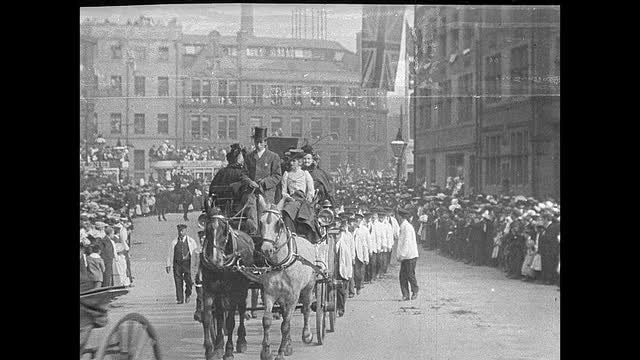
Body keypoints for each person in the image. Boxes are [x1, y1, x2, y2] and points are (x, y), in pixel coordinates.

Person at [208, 143, 256, 234]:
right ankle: (254, 228)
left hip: (220, 207)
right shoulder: (242, 173)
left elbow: (212, 190)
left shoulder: (221, 172)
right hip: (237, 210)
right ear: (239, 159)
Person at [244, 127, 282, 235]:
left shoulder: (273, 157)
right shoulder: (249, 157)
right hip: (252, 191)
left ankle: (264, 235)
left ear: (265, 142)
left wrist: (264, 182)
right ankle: (254, 233)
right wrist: (249, 182)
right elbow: (243, 174)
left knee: (264, 211)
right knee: (250, 208)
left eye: (261, 142)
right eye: (256, 142)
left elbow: (277, 175)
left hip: (267, 192)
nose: (258, 145)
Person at [278, 151, 320, 242]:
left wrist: (309, 197)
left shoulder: (305, 173)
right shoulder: (287, 174)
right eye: (290, 161)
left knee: (307, 213)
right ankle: (290, 234)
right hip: (292, 199)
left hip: (303, 199)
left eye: (294, 161)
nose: (291, 163)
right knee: (287, 211)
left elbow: (310, 190)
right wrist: (288, 197)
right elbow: (284, 191)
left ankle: (307, 236)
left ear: (299, 162)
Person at [165, 224, 199, 304]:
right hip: (177, 264)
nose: (180, 233)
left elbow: (196, 253)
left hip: (187, 263)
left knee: (189, 280)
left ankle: (188, 293)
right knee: (178, 281)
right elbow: (170, 254)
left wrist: (196, 265)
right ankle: (179, 298)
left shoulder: (191, 241)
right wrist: (168, 264)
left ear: (185, 231)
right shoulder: (174, 242)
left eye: (182, 231)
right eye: (179, 231)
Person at [396, 208, 419, 301]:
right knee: (403, 276)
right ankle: (405, 295)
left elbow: (406, 242)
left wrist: (402, 255)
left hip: (410, 255)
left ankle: (415, 290)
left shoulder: (407, 227)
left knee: (410, 274)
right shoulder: (403, 226)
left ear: (400, 217)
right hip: (407, 255)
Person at [334, 216, 353, 317]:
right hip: (333, 268)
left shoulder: (346, 241)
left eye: (338, 234)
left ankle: (341, 308)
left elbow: (349, 258)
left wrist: (349, 272)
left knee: (341, 289)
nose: (336, 236)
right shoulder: (331, 241)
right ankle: (335, 306)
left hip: (343, 267)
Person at [352, 213, 370, 295]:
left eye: (359, 219)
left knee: (359, 273)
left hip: (360, 254)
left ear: (361, 220)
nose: (357, 220)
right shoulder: (351, 229)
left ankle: (359, 286)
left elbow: (367, 243)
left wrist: (367, 256)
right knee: (352, 273)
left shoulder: (365, 230)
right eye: (356, 218)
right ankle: (351, 289)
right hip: (352, 253)